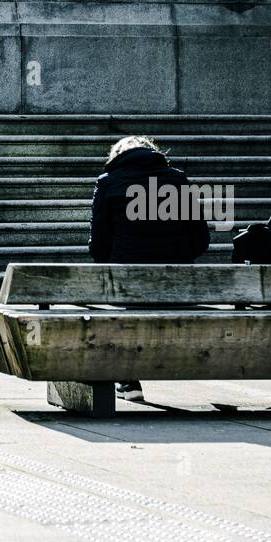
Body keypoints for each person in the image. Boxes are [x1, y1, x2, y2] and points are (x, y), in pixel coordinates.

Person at [88, 134, 211, 402]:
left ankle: (129, 381)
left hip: (127, 284)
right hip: (178, 285)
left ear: (116, 156)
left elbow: (98, 244)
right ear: (154, 153)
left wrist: (114, 263)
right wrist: (177, 258)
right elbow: (201, 238)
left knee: (119, 315)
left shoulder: (108, 182)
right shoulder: (177, 179)